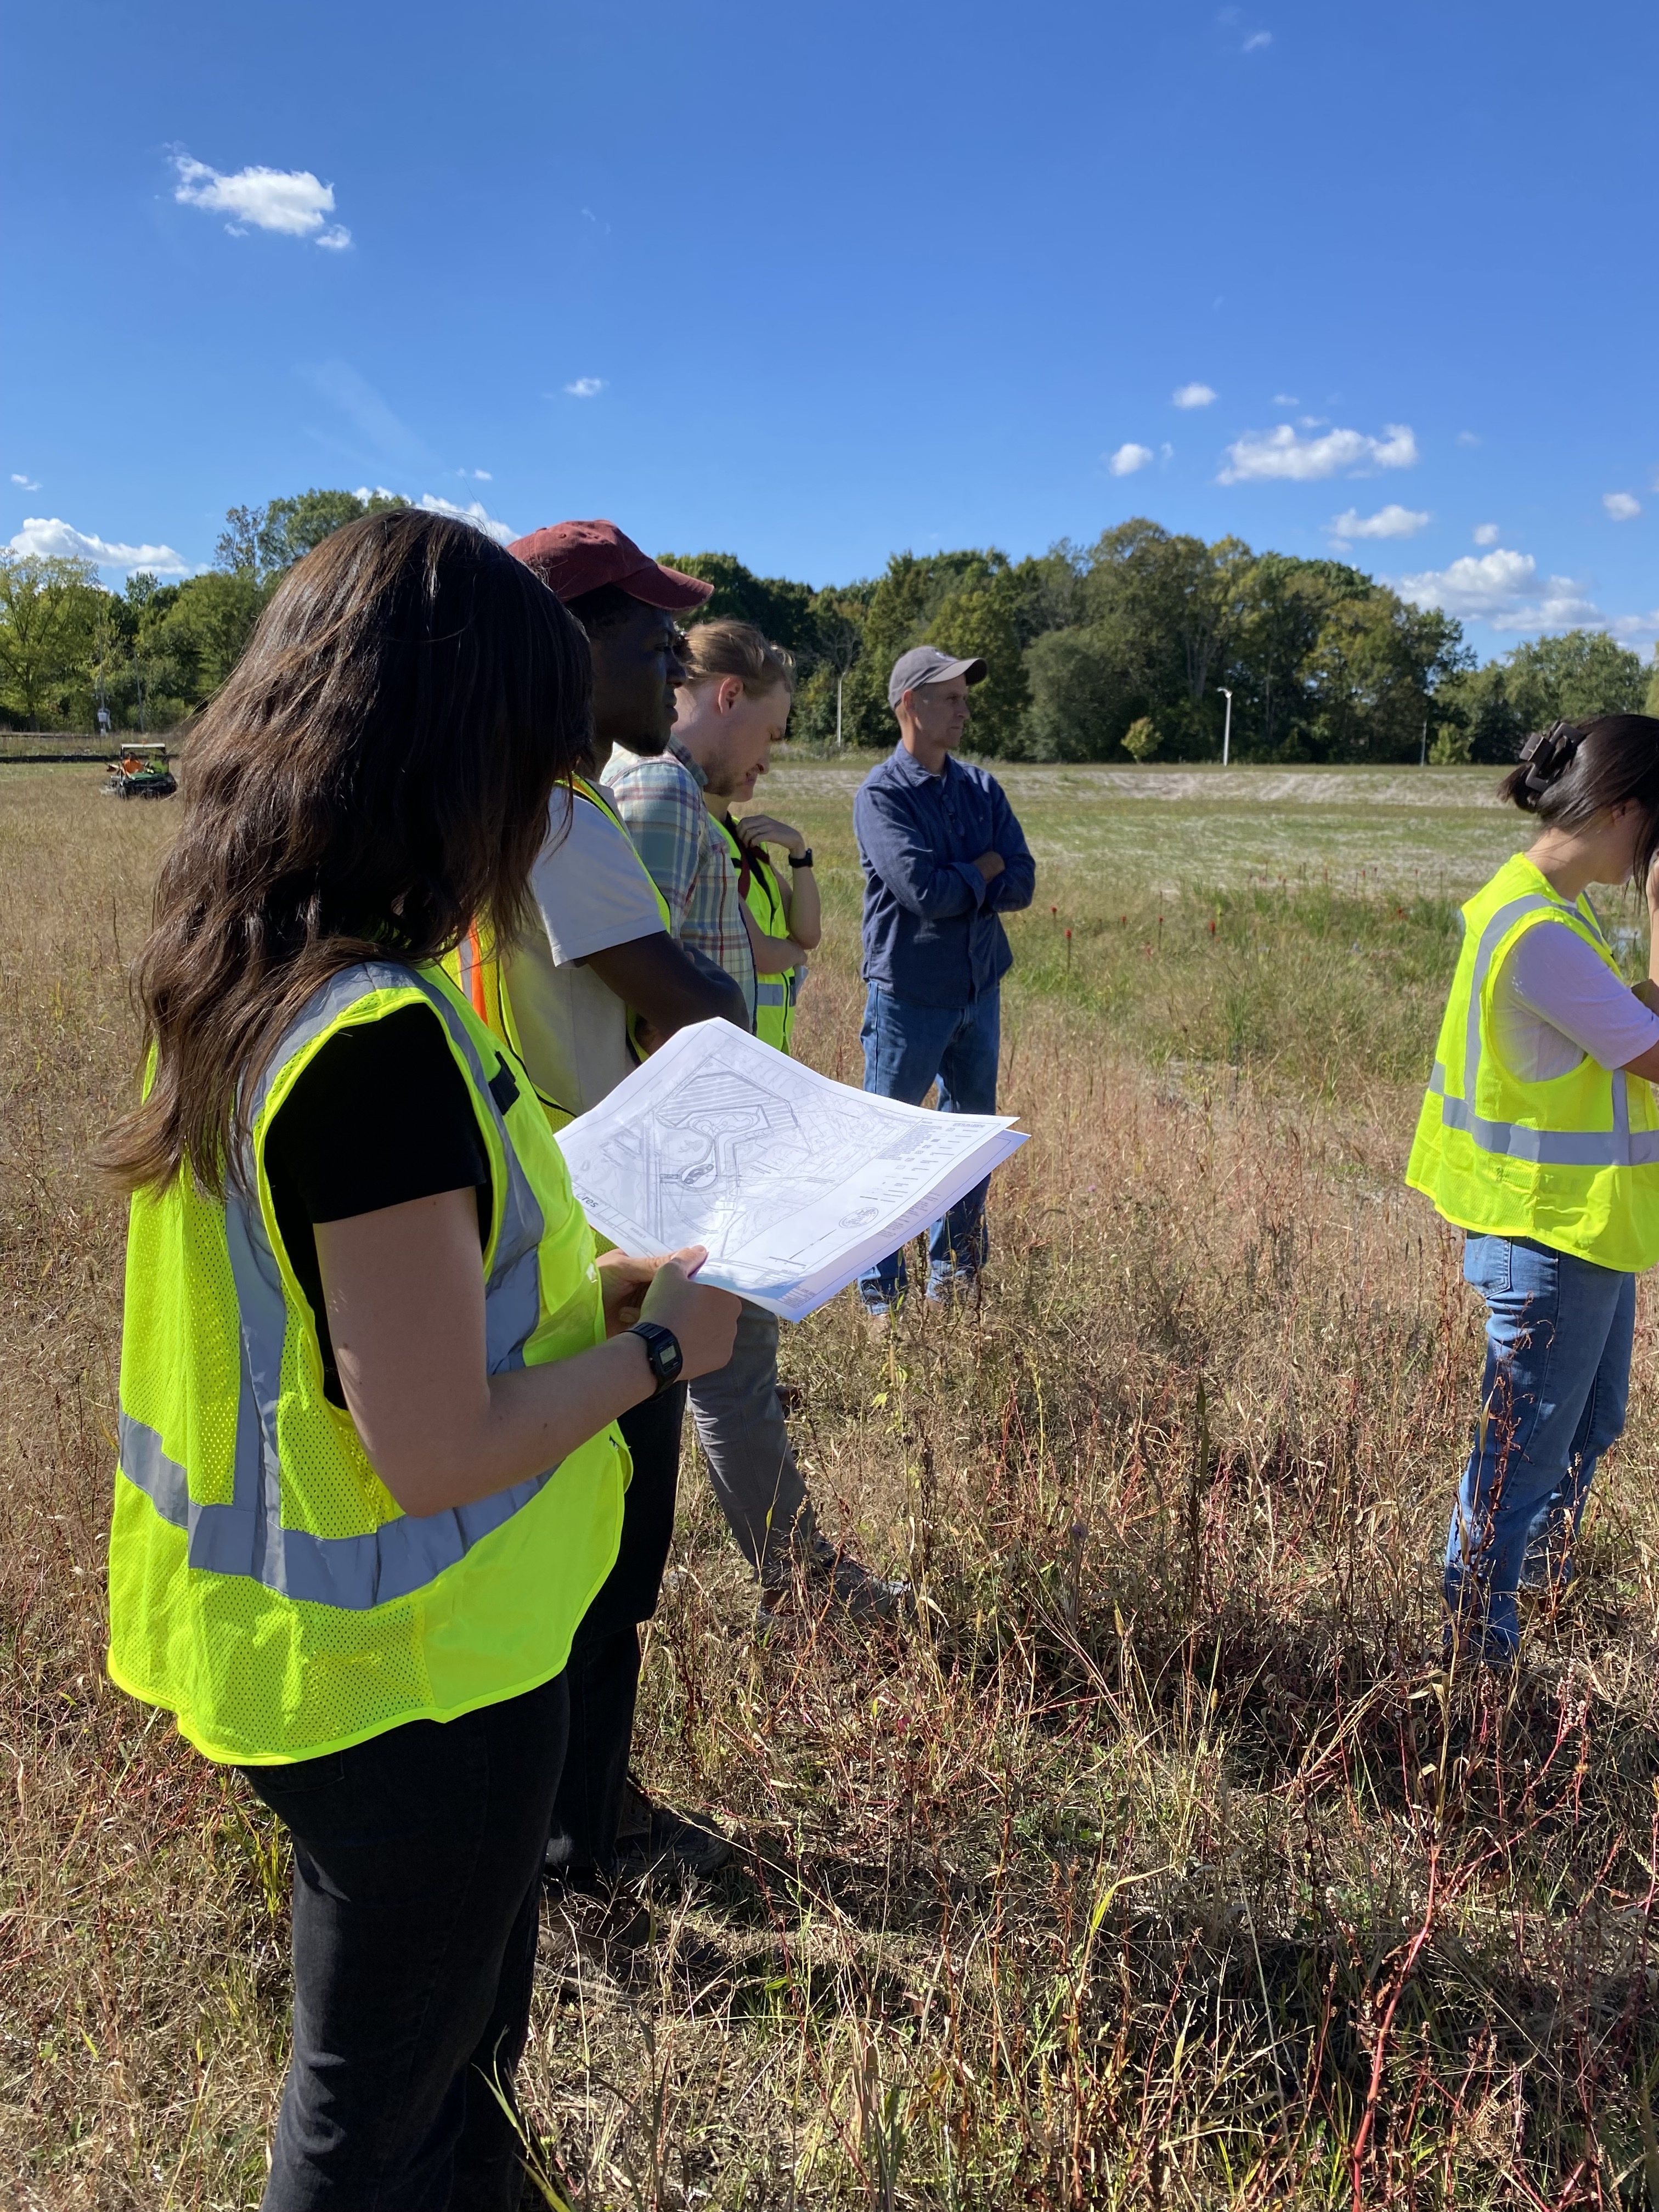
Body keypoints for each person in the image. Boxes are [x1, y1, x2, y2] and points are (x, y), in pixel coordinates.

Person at [99, 508, 739, 2209]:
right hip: (411, 1683)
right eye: (532, 775)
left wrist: (586, 1290)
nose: (543, 821)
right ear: (449, 764)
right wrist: (669, 1345)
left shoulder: (259, 976)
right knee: (379, 2120)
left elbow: (374, 1317)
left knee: (439, 2081)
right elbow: (438, 1449)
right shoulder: (374, 1042)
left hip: (331, 1665)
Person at [487, 519, 747, 1886]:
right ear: (563, 649)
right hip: (601, 1219)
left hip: (548, 1205)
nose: (670, 651)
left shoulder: (497, 799)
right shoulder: (564, 813)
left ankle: (578, 1815)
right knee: (611, 1551)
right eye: (642, 629)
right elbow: (691, 1007)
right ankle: (584, 1837)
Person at [665, 619, 907, 1627]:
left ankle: (795, 1575)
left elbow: (780, 950)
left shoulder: (705, 816)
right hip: (695, 1137)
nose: (770, 755)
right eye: (769, 728)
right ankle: (799, 1585)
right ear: (725, 697)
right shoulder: (661, 805)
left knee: (726, 1365)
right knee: (724, 1368)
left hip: (732, 1120)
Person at [1407, 716, 1659, 1666]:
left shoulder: (1550, 909)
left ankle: (1529, 1594)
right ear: (1620, 808)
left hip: (1583, 1228)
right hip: (1547, 1236)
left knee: (1587, 1425)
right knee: (1516, 1462)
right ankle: (1475, 1659)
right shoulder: (1536, 934)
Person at [853, 644, 1036, 1318]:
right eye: (950, 697)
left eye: (966, 696)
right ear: (910, 705)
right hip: (908, 996)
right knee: (891, 1147)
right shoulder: (882, 795)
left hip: (977, 990)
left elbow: (1022, 878)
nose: (964, 708)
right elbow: (922, 891)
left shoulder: (982, 788)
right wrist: (981, 869)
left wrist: (979, 873)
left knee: (968, 1143)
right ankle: (884, 1300)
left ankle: (954, 1282)